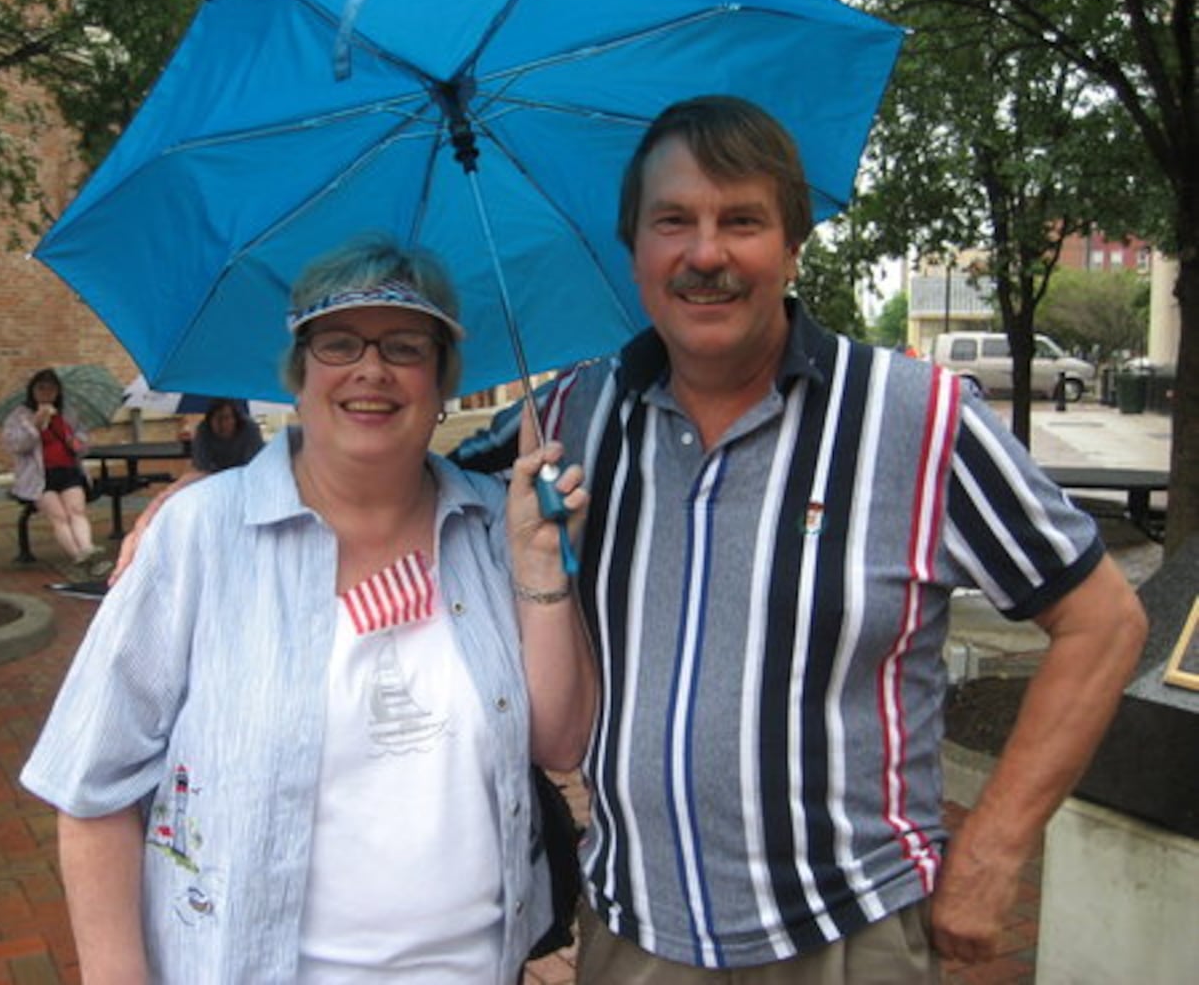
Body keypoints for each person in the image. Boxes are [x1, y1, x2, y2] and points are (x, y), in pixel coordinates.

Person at [450, 95, 1146, 980]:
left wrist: (996, 846)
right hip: (632, 936)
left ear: (791, 245)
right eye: (673, 222)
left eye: (740, 220)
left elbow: (1104, 623)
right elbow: (402, 483)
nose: (706, 254)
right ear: (634, 251)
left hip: (841, 938)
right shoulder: (567, 421)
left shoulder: (916, 419)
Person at [20, 234, 597, 983]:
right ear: (297, 373)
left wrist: (540, 569)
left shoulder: (496, 524)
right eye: (337, 342)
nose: (370, 368)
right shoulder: (200, 536)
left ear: (441, 377)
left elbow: (559, 745)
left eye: (404, 345)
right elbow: (91, 792)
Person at [1, 368, 112, 579]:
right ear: (32, 390)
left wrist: (76, 443)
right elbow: (16, 446)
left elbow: (84, 443)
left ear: (58, 391)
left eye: (51, 388)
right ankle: (80, 556)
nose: (46, 393)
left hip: (68, 470)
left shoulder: (67, 413)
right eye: (41, 388)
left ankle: (87, 549)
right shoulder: (20, 415)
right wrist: (35, 425)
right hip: (39, 478)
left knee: (76, 511)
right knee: (59, 516)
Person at [189, 397, 264, 473]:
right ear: (209, 420)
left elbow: (255, 461)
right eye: (218, 419)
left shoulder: (250, 429)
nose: (223, 424)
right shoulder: (203, 430)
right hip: (215, 477)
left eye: (226, 418)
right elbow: (201, 465)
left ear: (235, 419)